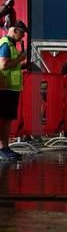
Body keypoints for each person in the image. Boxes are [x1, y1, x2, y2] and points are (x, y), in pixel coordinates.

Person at [0, 19, 28, 162]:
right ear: (15, 30)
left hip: (11, 88)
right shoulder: (5, 44)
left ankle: (6, 147)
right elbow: (3, 65)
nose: (23, 36)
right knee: (3, 119)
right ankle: (2, 148)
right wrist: (20, 58)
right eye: (22, 33)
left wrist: (21, 64)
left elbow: (11, 66)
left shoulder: (11, 45)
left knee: (7, 120)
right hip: (4, 88)